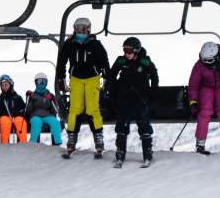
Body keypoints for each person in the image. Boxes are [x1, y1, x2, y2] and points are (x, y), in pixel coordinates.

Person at [56, 17, 110, 159]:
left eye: (82, 29)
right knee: (74, 110)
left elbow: (104, 61)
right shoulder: (70, 44)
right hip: (76, 79)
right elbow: (61, 61)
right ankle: (72, 139)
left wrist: (106, 78)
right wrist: (61, 78)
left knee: (93, 109)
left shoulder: (95, 45)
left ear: (88, 29)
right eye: (77, 28)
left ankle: (99, 139)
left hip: (92, 79)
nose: (80, 31)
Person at [105, 37, 159, 169]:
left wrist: (152, 93)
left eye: (129, 50)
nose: (126, 53)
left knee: (144, 125)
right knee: (122, 127)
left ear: (136, 50)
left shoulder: (145, 62)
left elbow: (154, 76)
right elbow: (111, 76)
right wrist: (111, 93)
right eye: (125, 50)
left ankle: (147, 153)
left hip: (141, 99)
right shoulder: (121, 60)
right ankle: (120, 153)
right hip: (124, 99)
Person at [25, 75, 65, 147]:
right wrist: (29, 99)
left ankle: (56, 143)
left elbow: (54, 110)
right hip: (35, 115)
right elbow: (28, 110)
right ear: (36, 83)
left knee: (55, 122)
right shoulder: (33, 95)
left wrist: (53, 100)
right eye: (39, 81)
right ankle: (33, 143)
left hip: (47, 115)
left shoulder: (49, 95)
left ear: (46, 83)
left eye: (43, 81)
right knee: (36, 123)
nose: (41, 83)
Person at [0, 75, 28, 144]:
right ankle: (4, 144)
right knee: (5, 121)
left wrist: (18, 114)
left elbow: (23, 109)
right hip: (4, 117)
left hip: (16, 117)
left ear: (11, 85)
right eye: (2, 85)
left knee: (21, 121)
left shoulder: (17, 98)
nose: (4, 87)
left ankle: (22, 143)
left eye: (6, 85)